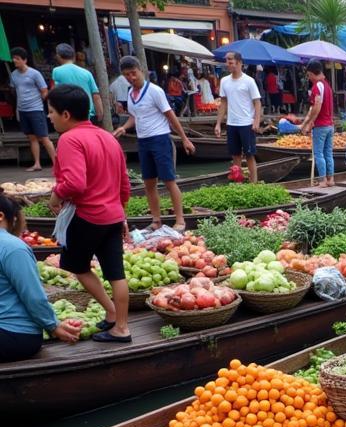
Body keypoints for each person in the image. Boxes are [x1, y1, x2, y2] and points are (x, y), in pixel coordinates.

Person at [46, 84, 131, 344]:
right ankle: (120, 325)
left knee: (75, 266)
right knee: (116, 273)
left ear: (66, 115)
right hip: (113, 215)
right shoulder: (107, 137)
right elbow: (124, 185)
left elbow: (74, 183)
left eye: (51, 112)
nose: (49, 117)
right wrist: (122, 213)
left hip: (88, 215)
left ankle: (112, 313)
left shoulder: (70, 139)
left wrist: (55, 195)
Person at [113, 56, 195, 232]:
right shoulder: (130, 93)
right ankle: (156, 220)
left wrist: (184, 138)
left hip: (160, 139)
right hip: (143, 141)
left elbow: (170, 115)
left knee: (169, 180)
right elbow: (134, 117)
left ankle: (180, 220)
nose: (131, 78)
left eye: (133, 73)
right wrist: (123, 128)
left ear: (140, 70)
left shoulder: (155, 91)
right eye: (127, 75)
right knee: (148, 183)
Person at [0, 190, 81, 358]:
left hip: (15, 334)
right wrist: (54, 326)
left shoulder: (12, 248)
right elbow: (33, 296)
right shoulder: (14, 248)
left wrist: (53, 326)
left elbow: (33, 297)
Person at [214, 51, 262, 184]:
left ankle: (253, 184)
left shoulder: (249, 81)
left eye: (230, 61)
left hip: (246, 123)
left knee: (249, 154)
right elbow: (223, 102)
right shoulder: (224, 81)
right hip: (231, 123)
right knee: (235, 155)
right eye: (227, 61)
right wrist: (218, 123)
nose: (228, 64)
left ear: (239, 62)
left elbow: (257, 102)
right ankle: (238, 183)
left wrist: (256, 121)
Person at [10, 48, 56, 172]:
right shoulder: (13, 75)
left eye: (17, 58)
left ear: (24, 60)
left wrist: (43, 105)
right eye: (13, 58)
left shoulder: (34, 73)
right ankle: (37, 163)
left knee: (44, 137)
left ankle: (57, 164)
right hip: (22, 110)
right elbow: (14, 91)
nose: (14, 60)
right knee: (32, 138)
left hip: (36, 109)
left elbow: (44, 91)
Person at [300, 61, 334, 187]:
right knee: (328, 153)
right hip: (330, 125)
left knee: (319, 154)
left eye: (309, 75)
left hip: (321, 125)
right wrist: (305, 124)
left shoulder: (317, 86)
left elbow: (316, 107)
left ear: (312, 73)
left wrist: (309, 123)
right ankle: (330, 179)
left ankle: (322, 180)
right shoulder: (327, 86)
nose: (309, 78)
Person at [52, 43, 103, 124]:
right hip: (88, 114)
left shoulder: (56, 71)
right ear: (73, 57)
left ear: (58, 56)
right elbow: (96, 95)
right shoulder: (86, 73)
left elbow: (54, 94)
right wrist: (100, 112)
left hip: (69, 115)